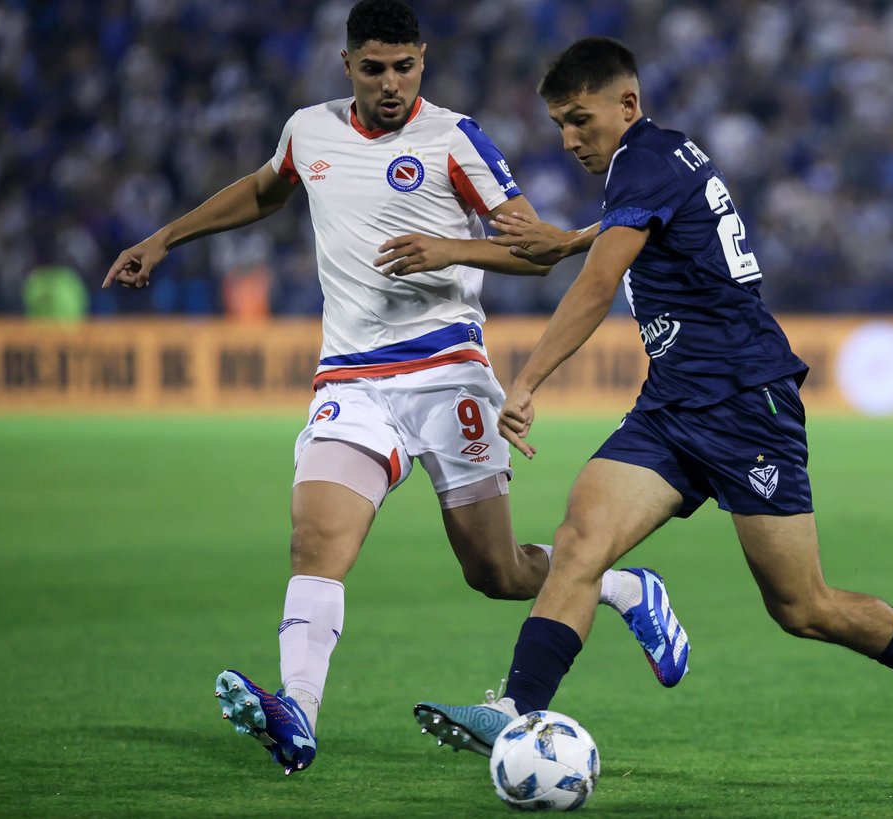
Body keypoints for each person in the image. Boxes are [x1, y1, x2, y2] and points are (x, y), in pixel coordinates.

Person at [103, 4, 687, 776]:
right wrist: (163, 237)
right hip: (351, 378)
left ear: (423, 61)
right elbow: (262, 191)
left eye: (403, 67)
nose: (389, 83)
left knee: (496, 571)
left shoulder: (454, 139)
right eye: (373, 68)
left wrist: (445, 247)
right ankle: (298, 712)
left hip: (449, 374)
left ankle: (618, 584)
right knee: (316, 540)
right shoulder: (307, 130)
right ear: (347, 65)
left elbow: (538, 250)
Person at [414, 37, 893, 784]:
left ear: (625, 105)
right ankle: (518, 705)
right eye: (560, 125)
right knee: (580, 538)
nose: (569, 139)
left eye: (579, 120)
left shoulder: (643, 158)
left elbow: (602, 286)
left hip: (744, 402)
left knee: (804, 606)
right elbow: (640, 231)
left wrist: (527, 379)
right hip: (673, 402)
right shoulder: (661, 156)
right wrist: (568, 240)